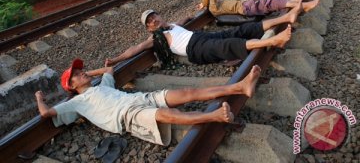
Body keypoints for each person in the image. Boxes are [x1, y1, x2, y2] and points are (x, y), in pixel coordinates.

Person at [35, 59, 261, 146]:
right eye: (77, 73)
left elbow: (109, 69)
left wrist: (88, 74)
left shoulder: (101, 85)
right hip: (126, 117)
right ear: (71, 85)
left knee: (186, 92)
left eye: (81, 70)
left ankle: (240, 86)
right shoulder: (75, 102)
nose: (83, 73)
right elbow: (46, 114)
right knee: (164, 114)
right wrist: (39, 98)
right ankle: (214, 116)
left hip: (137, 99)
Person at [105, 9, 294, 67]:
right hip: (195, 50)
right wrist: (115, 59)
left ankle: (285, 17)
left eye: (154, 16)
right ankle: (273, 41)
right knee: (229, 44)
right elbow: (135, 49)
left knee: (239, 30)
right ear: (149, 28)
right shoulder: (156, 38)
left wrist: (192, 15)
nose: (153, 20)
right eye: (150, 21)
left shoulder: (171, 24)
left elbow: (184, 19)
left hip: (200, 36)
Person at [197, 0, 320, 17]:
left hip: (248, 5)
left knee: (272, 1)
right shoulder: (213, 8)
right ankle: (304, 6)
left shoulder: (219, 3)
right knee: (272, 2)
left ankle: (296, 1)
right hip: (246, 8)